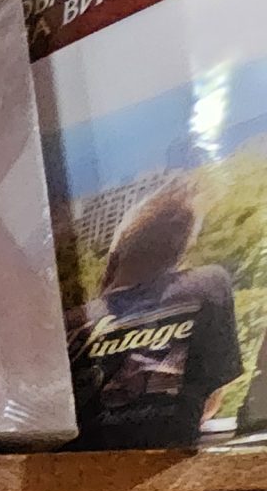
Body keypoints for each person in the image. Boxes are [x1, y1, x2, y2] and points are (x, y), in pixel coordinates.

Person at [67, 181, 245, 450]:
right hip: (169, 467)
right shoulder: (209, 284)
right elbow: (210, 402)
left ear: (114, 258)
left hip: (77, 467)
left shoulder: (74, 320)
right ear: (181, 253)